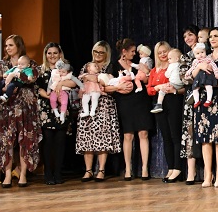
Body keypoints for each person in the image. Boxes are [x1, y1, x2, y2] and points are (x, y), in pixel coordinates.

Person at [0, 34, 41, 188]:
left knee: (25, 140)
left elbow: (32, 78)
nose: (7, 48)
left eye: (10, 45)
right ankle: (7, 175)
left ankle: (23, 174)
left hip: (25, 108)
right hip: (7, 107)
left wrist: (16, 76)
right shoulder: (2, 64)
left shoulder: (30, 63)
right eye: (6, 45)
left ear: (19, 46)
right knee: (6, 141)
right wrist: (4, 87)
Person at [188, 27, 218, 187]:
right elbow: (190, 78)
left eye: (215, 36)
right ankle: (208, 174)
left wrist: (212, 81)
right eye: (210, 36)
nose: (212, 39)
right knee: (205, 138)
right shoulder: (203, 56)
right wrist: (199, 68)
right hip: (202, 99)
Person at [76, 41, 121, 183]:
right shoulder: (86, 66)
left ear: (107, 54)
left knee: (102, 136)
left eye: (101, 52)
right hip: (87, 104)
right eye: (96, 51)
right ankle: (88, 170)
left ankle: (101, 169)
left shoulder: (110, 67)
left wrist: (95, 79)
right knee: (87, 136)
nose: (98, 54)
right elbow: (80, 81)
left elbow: (111, 84)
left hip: (104, 105)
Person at [110, 38, 155, 181]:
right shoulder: (114, 65)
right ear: (124, 51)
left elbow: (147, 79)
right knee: (128, 135)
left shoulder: (138, 63)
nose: (134, 54)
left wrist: (145, 70)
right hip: (125, 102)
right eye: (132, 51)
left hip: (141, 100)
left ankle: (145, 168)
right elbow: (107, 85)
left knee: (143, 133)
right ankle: (128, 169)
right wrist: (118, 87)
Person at [36, 43, 78, 185]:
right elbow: (37, 88)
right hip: (46, 109)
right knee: (48, 142)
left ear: (60, 54)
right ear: (45, 55)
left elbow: (74, 82)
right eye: (49, 53)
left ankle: (58, 173)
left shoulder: (65, 68)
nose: (52, 56)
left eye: (55, 53)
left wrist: (61, 85)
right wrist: (48, 95)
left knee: (60, 141)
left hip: (62, 108)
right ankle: (48, 173)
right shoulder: (41, 70)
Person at [147, 42, 185, 183]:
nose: (163, 54)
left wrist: (172, 89)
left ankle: (178, 168)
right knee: (166, 137)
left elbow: (183, 85)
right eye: (160, 52)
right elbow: (149, 90)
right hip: (159, 102)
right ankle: (171, 167)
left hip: (173, 101)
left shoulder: (175, 66)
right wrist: (158, 87)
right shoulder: (154, 71)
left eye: (165, 51)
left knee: (175, 135)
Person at [179, 25, 200, 185]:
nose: (188, 38)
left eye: (190, 34)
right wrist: (197, 70)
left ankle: (211, 171)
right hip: (190, 98)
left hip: (207, 96)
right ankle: (191, 172)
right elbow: (184, 79)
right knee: (190, 133)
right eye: (185, 36)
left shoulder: (207, 52)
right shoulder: (185, 57)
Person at [186, 42, 218, 108]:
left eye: (202, 52)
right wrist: (188, 73)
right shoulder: (195, 61)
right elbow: (192, 68)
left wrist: (216, 73)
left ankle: (209, 99)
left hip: (207, 75)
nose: (200, 55)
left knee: (208, 86)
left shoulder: (208, 59)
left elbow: (214, 66)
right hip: (199, 77)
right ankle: (196, 101)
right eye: (198, 53)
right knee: (195, 88)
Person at [150, 48, 183, 114]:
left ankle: (159, 104)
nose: (168, 60)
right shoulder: (181, 65)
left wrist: (166, 73)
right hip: (180, 84)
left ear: (176, 59)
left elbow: (167, 75)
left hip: (173, 87)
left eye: (170, 58)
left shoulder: (171, 65)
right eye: (159, 53)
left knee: (162, 90)